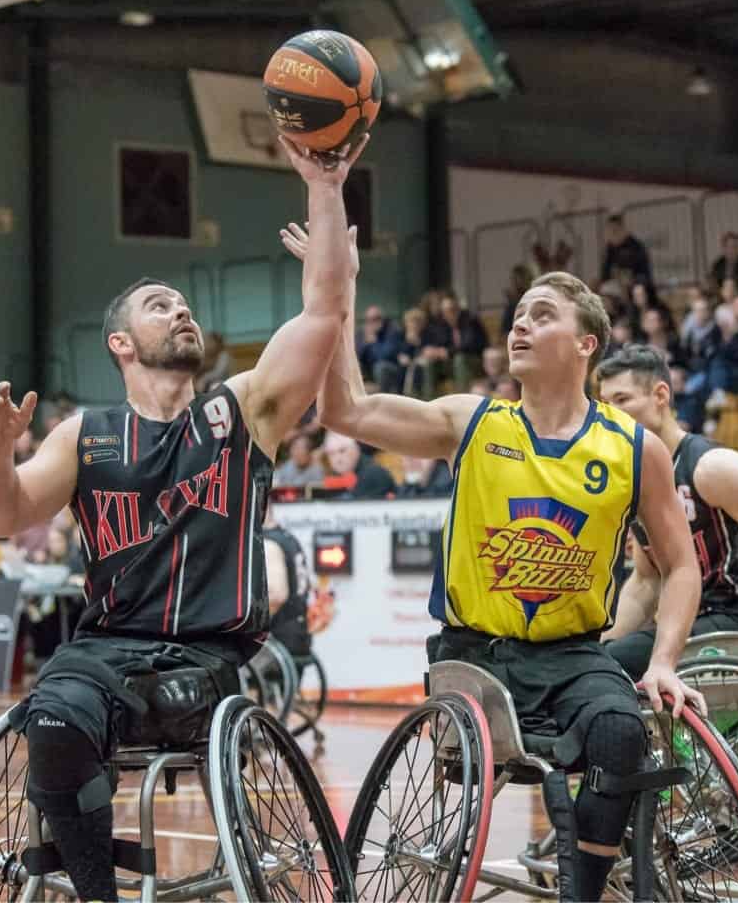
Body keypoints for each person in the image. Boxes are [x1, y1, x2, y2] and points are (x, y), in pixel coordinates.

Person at [0, 133, 366, 902]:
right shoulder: (86, 433)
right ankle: (97, 894)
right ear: (121, 343)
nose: (180, 311)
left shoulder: (244, 409)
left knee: (183, 702)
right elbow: (0, 515)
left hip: (206, 657)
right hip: (105, 652)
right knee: (50, 716)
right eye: (159, 306)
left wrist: (323, 183)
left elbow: (323, 310)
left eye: (183, 306)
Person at [287, 216, 703, 902]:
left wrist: (662, 661)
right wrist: (342, 288)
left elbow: (681, 566)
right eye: (516, 316)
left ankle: (585, 892)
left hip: (572, 656)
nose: (519, 326)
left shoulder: (634, 448)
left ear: (586, 344)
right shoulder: (473, 421)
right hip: (477, 654)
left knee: (622, 733)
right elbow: (346, 409)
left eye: (541, 316)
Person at [597, 345, 738, 695]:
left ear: (660, 395)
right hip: (693, 620)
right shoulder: (639, 481)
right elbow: (646, 580)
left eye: (622, 400)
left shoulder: (710, 466)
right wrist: (602, 641)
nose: (610, 414)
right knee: (598, 661)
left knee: (613, 666)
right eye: (604, 405)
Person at [263, 506, 313, 658]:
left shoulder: (269, 543)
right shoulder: (288, 538)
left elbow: (276, 596)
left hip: (279, 642)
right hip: (299, 634)